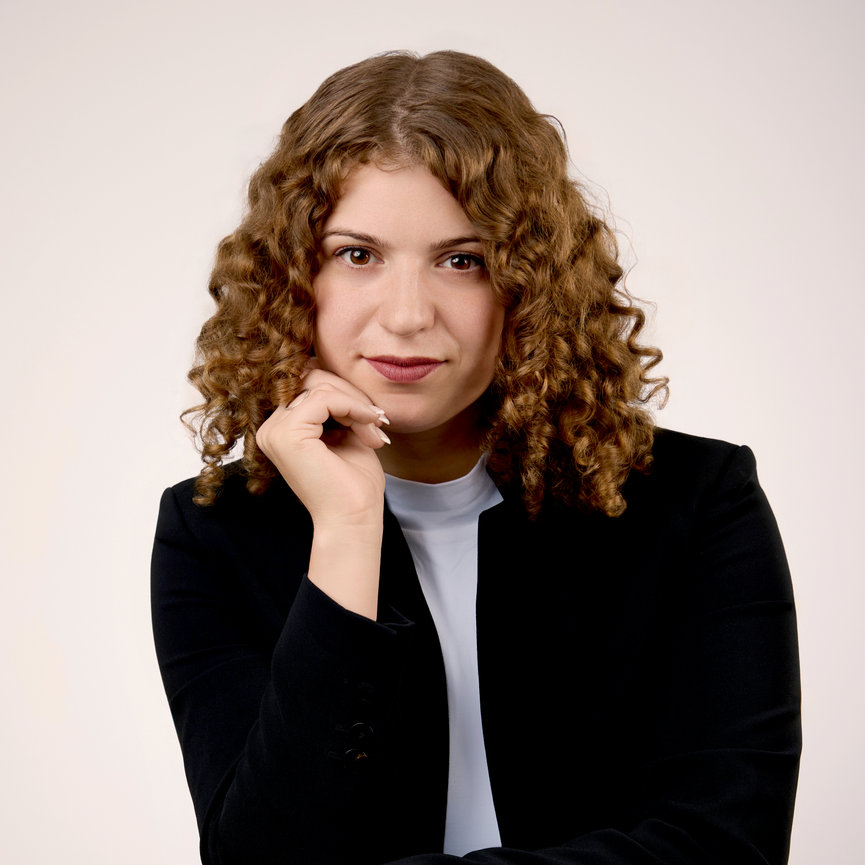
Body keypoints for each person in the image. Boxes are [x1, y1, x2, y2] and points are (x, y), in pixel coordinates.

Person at [151, 50, 801, 865]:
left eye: (464, 260)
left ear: (530, 285)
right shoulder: (212, 530)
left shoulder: (696, 501)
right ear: (292, 277)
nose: (408, 315)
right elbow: (260, 855)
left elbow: (723, 845)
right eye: (358, 254)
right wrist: (348, 530)